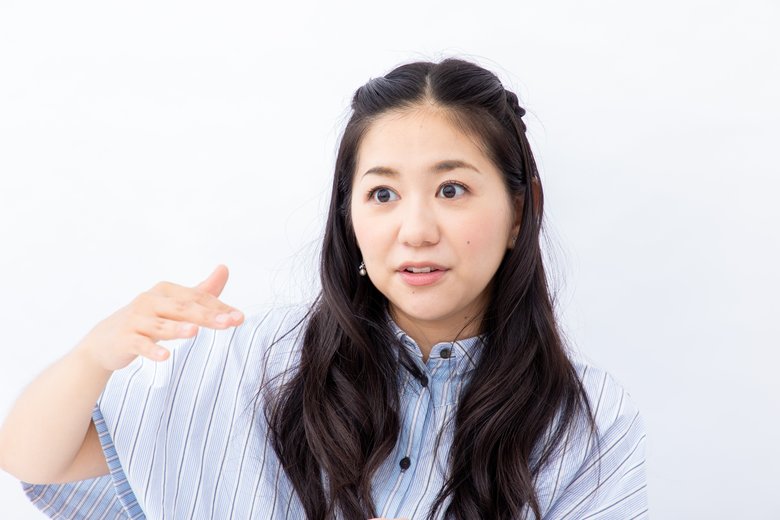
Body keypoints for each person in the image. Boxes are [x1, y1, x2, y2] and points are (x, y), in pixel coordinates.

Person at [0, 57, 648, 519]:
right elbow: (35, 460)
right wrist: (93, 356)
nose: (416, 230)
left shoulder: (587, 419)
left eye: (452, 189)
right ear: (350, 217)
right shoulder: (251, 361)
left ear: (519, 211)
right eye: (383, 194)